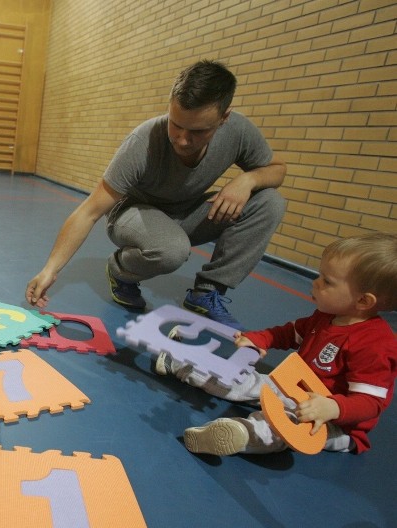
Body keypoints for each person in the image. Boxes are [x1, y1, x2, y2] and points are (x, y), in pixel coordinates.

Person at [26, 60, 287, 330]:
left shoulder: (239, 131)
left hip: (186, 213)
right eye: (176, 125)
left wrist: (249, 179)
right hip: (132, 213)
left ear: (224, 118)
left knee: (269, 202)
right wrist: (50, 270)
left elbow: (277, 169)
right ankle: (120, 269)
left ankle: (207, 292)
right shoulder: (142, 142)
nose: (183, 139)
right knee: (172, 250)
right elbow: (89, 211)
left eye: (198, 131)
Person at [155, 233, 397, 456]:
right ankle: (181, 364)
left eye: (327, 281)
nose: (315, 283)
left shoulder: (376, 344)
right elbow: (289, 333)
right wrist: (259, 339)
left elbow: (370, 403)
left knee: (286, 426)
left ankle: (240, 435)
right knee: (244, 378)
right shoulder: (326, 316)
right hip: (295, 388)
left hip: (333, 421)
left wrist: (332, 408)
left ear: (363, 301)